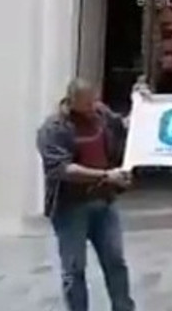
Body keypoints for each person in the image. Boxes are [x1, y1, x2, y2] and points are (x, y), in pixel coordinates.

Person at [36, 78, 140, 311]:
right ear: (71, 102)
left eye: (94, 102)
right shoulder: (54, 129)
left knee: (115, 262)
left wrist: (141, 101)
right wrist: (104, 175)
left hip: (104, 202)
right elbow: (62, 169)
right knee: (74, 268)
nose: (92, 108)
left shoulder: (101, 115)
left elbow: (124, 125)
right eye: (86, 104)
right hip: (70, 207)